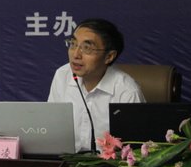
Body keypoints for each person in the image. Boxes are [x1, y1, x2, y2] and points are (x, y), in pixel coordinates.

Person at [48, 18, 145, 153]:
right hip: (65, 160)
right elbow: (51, 128)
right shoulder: (62, 75)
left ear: (109, 56)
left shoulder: (127, 92)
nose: (76, 54)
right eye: (73, 44)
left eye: (87, 48)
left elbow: (133, 151)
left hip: (108, 164)